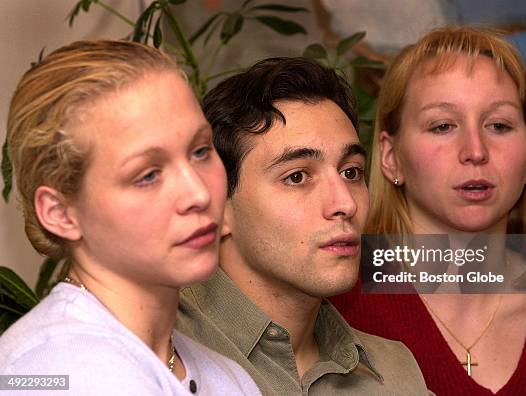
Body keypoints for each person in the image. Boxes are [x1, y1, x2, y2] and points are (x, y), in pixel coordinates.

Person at [330, 26, 526, 395]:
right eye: (443, 125)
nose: (475, 150)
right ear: (390, 156)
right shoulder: (335, 306)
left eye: (499, 125)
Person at [0, 40, 259, 395]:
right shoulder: (52, 370)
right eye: (148, 175)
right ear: (61, 214)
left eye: (200, 151)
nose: (198, 194)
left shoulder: (228, 378)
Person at [177, 57, 430, 395]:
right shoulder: (159, 350)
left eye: (351, 172)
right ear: (218, 206)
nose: (345, 203)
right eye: (297, 177)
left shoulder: (395, 372)